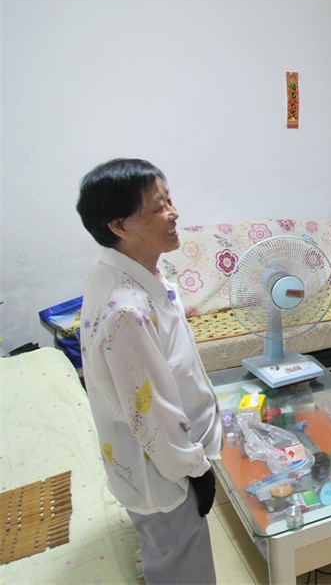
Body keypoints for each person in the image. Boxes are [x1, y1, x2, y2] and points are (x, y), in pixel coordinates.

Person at [76, 158, 222, 584]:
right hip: (163, 474)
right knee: (182, 568)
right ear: (120, 226)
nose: (174, 213)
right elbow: (152, 413)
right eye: (159, 207)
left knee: (169, 556)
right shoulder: (127, 310)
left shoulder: (127, 272)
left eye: (169, 199)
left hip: (161, 462)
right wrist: (195, 470)